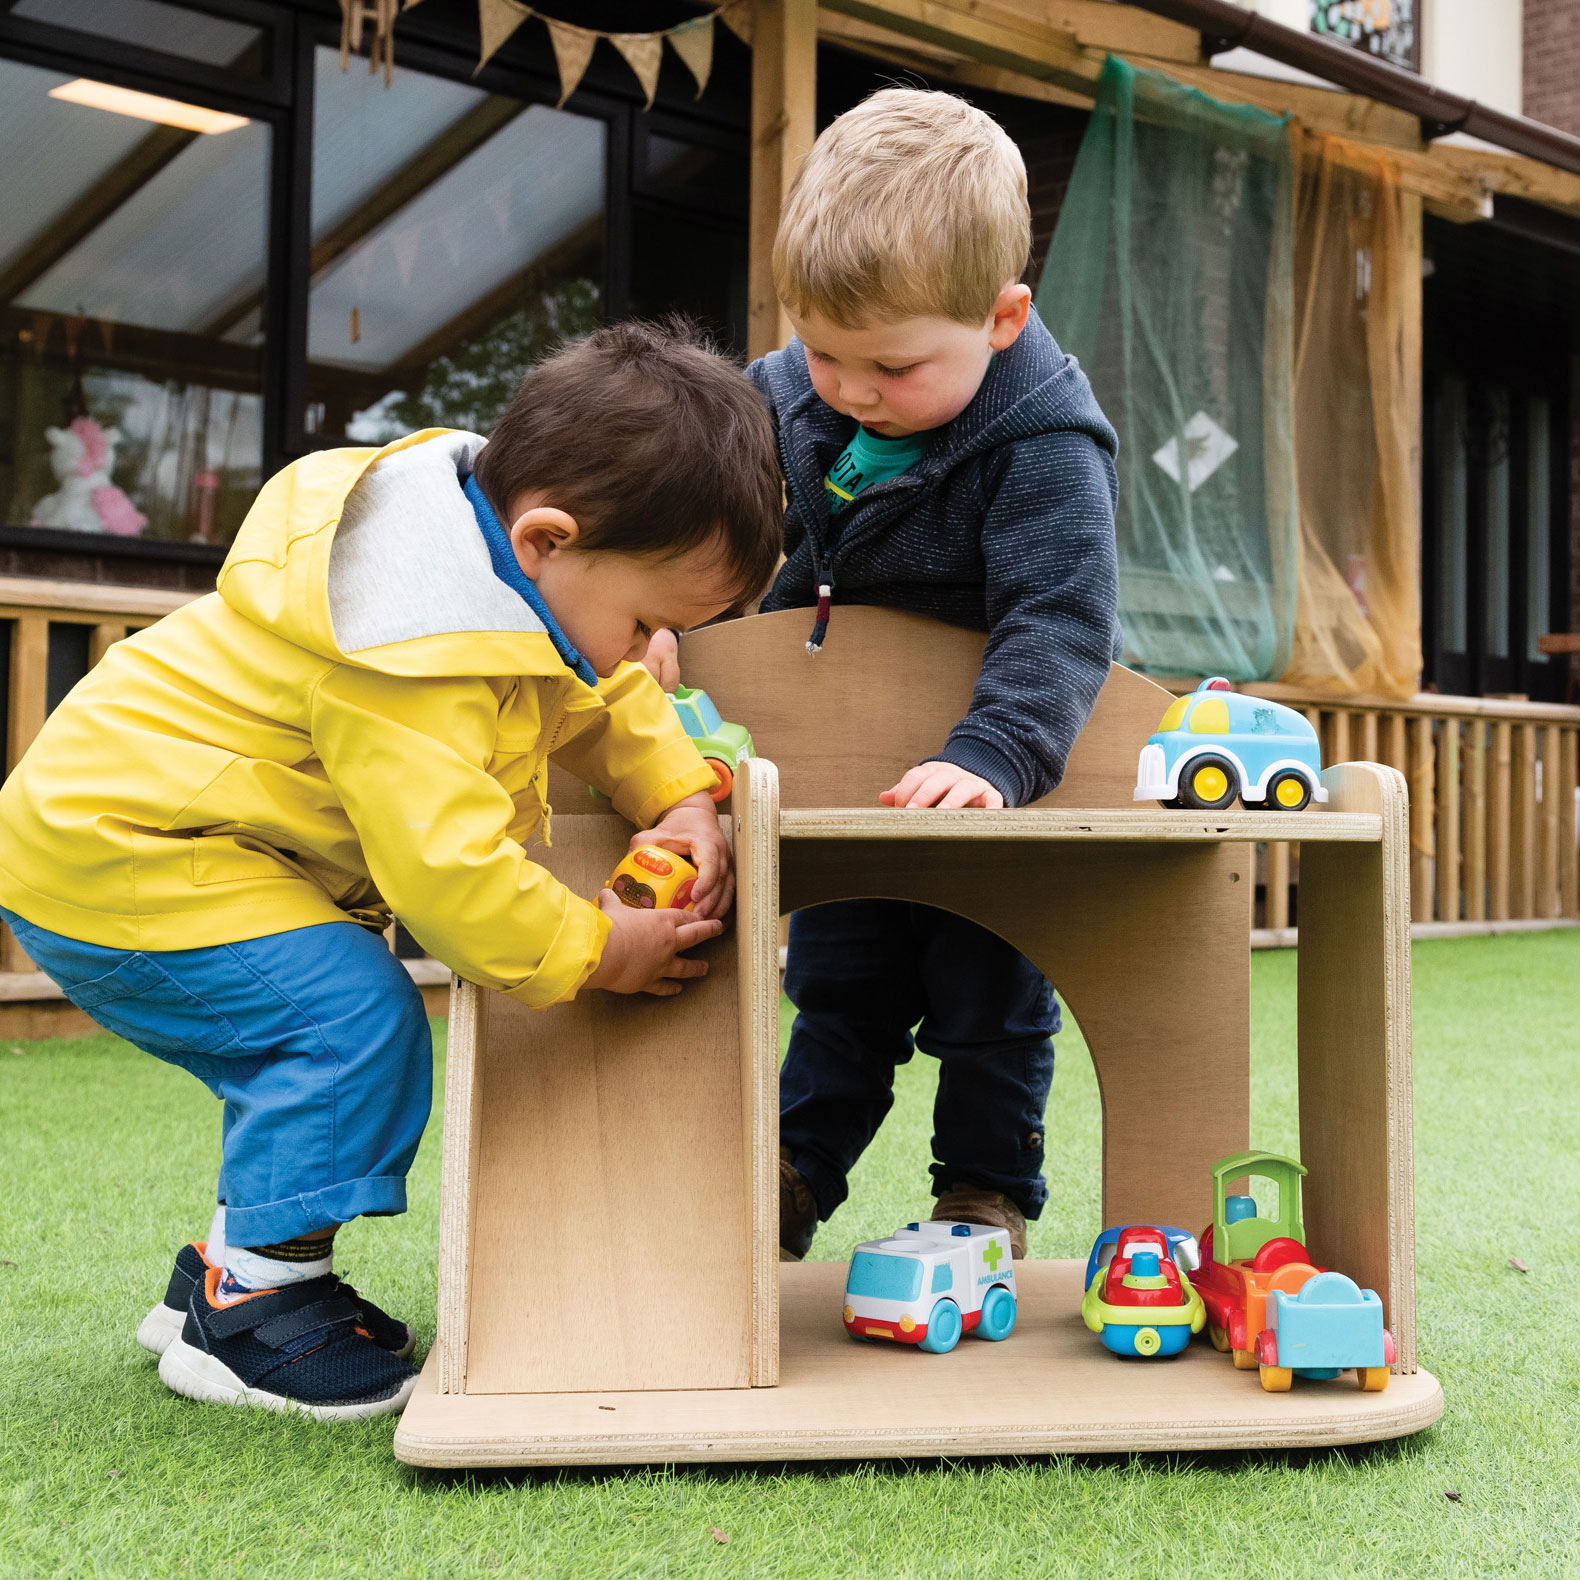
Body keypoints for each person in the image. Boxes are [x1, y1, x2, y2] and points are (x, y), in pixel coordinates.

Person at [0, 321, 783, 1419]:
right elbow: (449, 875)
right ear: (547, 536)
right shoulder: (408, 648)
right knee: (343, 1023)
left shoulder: (512, 579)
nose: (646, 653)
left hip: (177, 842)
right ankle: (253, 1311)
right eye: (649, 620)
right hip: (119, 852)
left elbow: (598, 696)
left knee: (315, 1019)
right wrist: (599, 947)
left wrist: (680, 789)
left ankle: (219, 1281)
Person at [646, 88, 1120, 1262]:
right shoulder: (776, 395)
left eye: (892, 366)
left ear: (1001, 318)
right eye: (824, 351)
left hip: (981, 781)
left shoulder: (1046, 444)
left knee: (989, 1003)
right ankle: (795, 1173)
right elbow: (706, 529)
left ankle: (981, 1191)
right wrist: (659, 621)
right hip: (829, 769)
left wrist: (993, 756)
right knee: (839, 983)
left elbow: (1058, 620)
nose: (849, 390)